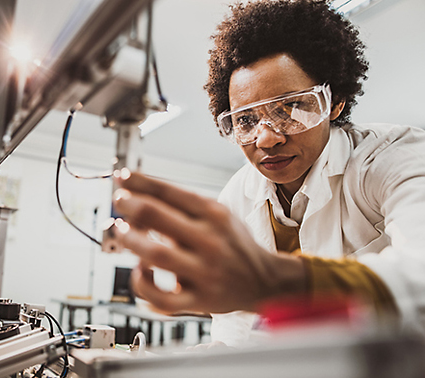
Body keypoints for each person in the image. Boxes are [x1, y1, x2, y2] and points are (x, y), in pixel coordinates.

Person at [109, 0, 425, 347]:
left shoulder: (394, 158)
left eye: (290, 108)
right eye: (245, 120)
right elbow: (233, 327)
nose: (267, 138)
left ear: (335, 101)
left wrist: (279, 280)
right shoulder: (238, 194)